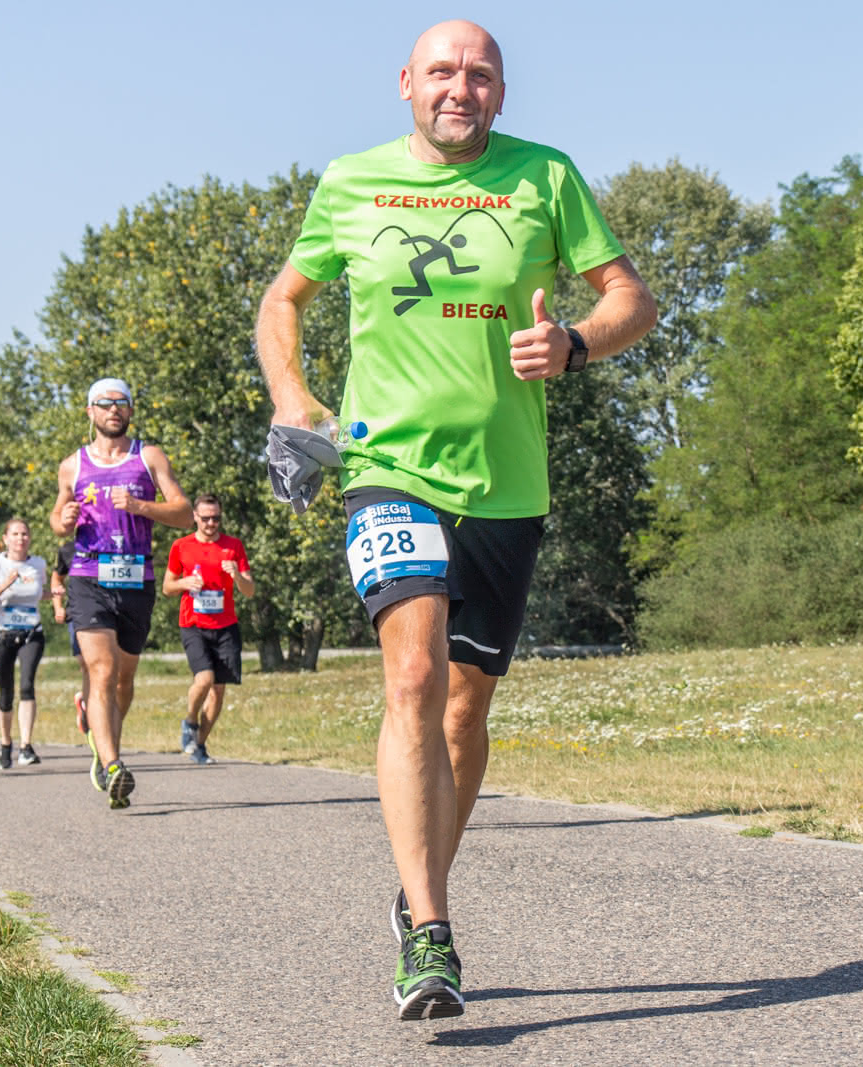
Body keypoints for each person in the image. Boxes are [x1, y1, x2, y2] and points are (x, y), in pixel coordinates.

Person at [254, 19, 656, 1020]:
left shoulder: (545, 179)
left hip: (506, 485)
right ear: (405, 83)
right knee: (413, 670)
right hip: (385, 466)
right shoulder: (351, 182)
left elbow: (631, 302)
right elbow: (282, 301)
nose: (459, 88)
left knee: (465, 707)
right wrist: (292, 398)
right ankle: (430, 930)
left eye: (479, 75)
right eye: (442, 71)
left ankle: (411, 879)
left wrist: (573, 343)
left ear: (500, 94)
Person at [50, 377, 192, 809]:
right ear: (90, 412)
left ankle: (101, 737)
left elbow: (184, 513)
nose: (113, 410)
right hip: (87, 576)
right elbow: (57, 519)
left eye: (121, 404)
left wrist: (141, 507)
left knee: (123, 682)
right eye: (104, 404)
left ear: (130, 411)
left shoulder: (148, 457)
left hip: (136, 580)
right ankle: (113, 765)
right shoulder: (72, 465)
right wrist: (66, 517)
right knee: (102, 671)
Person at [163, 493, 254, 765]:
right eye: (206, 518)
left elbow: (249, 591)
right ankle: (190, 720)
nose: (211, 523)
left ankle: (199, 745)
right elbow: (167, 587)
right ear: (195, 517)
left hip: (226, 626)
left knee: (218, 691)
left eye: (216, 518)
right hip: (193, 624)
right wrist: (184, 583)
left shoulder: (233, 546)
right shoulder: (181, 546)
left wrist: (236, 574)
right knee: (203, 680)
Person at [0, 519, 49, 771]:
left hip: (31, 633)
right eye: (15, 534)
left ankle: (26, 746)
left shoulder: (38, 564)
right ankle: (6, 744)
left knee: (27, 685)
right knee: (6, 693)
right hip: (1, 635)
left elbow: (40, 592)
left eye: (25, 534)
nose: (21, 538)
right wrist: (5, 584)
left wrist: (57, 595)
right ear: (6, 538)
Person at [51, 541, 91, 737]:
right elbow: (57, 577)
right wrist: (58, 606)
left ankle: (89, 700)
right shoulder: (69, 549)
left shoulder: (113, 542)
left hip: (111, 613)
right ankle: (89, 708)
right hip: (77, 614)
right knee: (87, 664)